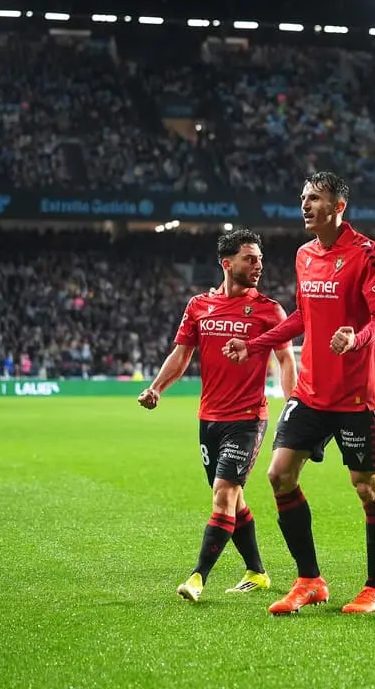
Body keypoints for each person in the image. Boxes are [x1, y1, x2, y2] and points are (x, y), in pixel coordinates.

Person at [223, 172, 375, 616]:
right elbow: (301, 315)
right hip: (311, 391)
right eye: (303, 197)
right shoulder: (304, 256)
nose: (305, 205)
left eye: (315, 198)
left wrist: (356, 339)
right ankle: (309, 580)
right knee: (279, 475)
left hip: (357, 395)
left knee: (367, 487)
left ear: (338, 207)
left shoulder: (367, 253)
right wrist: (255, 343)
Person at [137, 229, 296, 602]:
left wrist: (292, 405)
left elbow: (286, 359)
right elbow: (181, 355)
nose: (258, 265)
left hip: (247, 418)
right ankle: (257, 572)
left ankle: (197, 577)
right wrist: (157, 387)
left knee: (223, 494)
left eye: (259, 258)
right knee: (233, 499)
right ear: (227, 263)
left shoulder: (269, 310)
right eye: (249, 258)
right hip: (209, 419)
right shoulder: (198, 306)